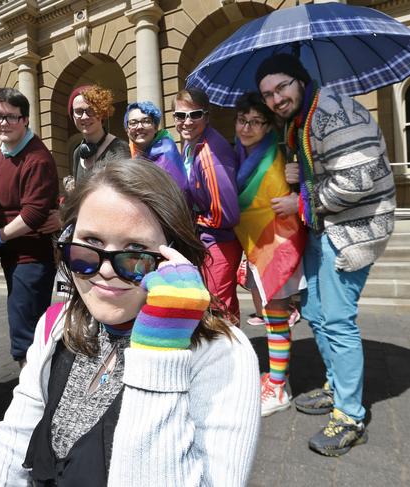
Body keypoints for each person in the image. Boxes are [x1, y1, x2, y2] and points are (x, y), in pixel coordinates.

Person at [0, 158, 261, 486]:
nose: (106, 269)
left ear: (174, 257)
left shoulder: (224, 356)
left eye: (135, 251)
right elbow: (12, 442)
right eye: (89, 246)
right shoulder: (57, 324)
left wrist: (161, 350)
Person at [256, 53, 396, 456]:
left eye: (282, 87)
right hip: (328, 226)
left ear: (299, 80)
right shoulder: (303, 118)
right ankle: (337, 388)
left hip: (354, 229)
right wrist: (303, 174)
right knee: (316, 313)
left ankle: (351, 416)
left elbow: (359, 177)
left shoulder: (333, 110)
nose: (276, 99)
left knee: (336, 319)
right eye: (268, 94)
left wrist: (303, 200)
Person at [232, 92, 307, 417]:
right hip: (255, 245)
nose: (247, 127)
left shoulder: (282, 153)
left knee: (275, 317)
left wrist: (299, 180)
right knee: (268, 314)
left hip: (278, 244)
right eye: (242, 119)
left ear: (267, 126)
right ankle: (278, 378)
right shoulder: (240, 155)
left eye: (255, 121)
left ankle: (277, 389)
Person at [0, 88, 59, 366]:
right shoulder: (1, 152)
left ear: (25, 119)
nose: (2, 123)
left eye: (10, 117)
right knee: (24, 329)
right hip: (14, 256)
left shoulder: (36, 158)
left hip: (32, 259)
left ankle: (34, 401)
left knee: (25, 337)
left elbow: (34, 214)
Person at [173, 88, 242, 323]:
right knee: (212, 307)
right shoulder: (192, 146)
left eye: (195, 115)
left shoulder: (210, 153)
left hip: (219, 241)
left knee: (220, 310)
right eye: (180, 116)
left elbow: (226, 213)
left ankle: (233, 358)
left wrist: (194, 222)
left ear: (207, 116)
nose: (187, 122)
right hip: (207, 240)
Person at [67, 84, 130, 185]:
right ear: (73, 116)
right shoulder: (77, 153)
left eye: (90, 110)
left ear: (101, 112)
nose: (84, 117)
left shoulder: (119, 148)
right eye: (78, 111)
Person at [124, 101, 189, 197]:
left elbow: (178, 193)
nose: (139, 127)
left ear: (155, 127)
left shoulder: (166, 152)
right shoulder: (134, 153)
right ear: (127, 130)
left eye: (146, 121)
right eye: (133, 123)